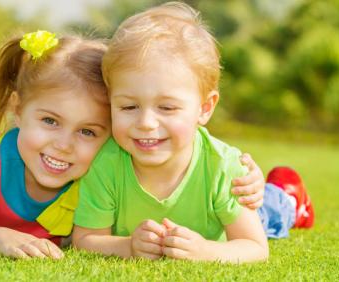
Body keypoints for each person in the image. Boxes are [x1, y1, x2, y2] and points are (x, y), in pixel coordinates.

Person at [0, 30, 266, 259]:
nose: (63, 145)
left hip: (240, 208)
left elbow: (198, 160)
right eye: (50, 121)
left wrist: (251, 175)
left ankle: (284, 192)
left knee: (274, 210)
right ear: (17, 108)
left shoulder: (104, 162)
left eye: (88, 131)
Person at [72, 2, 314, 263]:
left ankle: (289, 194)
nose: (145, 122)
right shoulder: (106, 163)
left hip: (246, 214)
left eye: (166, 107)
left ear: (205, 108)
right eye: (129, 106)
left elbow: (255, 247)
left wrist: (207, 251)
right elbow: (85, 239)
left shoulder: (222, 167)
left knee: (272, 212)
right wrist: (128, 246)